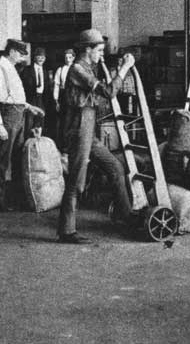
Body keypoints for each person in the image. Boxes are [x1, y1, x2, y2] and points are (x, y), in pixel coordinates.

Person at [57, 29, 136, 244]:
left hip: (88, 127)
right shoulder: (77, 70)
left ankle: (127, 215)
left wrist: (119, 70)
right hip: (79, 128)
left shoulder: (88, 68)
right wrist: (125, 69)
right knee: (76, 182)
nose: (101, 54)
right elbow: (108, 93)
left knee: (115, 167)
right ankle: (66, 231)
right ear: (87, 49)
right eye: (99, 50)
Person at [0, 39, 44, 211]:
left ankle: (15, 197)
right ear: (11, 51)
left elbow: (14, 96)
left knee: (18, 159)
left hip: (18, 115)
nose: (21, 57)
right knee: (2, 160)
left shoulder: (11, 68)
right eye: (19, 53)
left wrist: (28, 106)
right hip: (7, 118)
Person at [22, 47, 50, 138]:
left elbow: (47, 88)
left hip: (41, 98)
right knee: (29, 121)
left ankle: (37, 142)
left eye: (43, 57)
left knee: (40, 120)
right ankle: (27, 142)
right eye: (39, 56)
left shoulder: (45, 72)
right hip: (31, 98)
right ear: (34, 57)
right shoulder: (27, 70)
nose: (41, 59)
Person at [53, 48, 75, 150]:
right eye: (66, 57)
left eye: (70, 57)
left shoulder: (76, 69)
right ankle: (63, 146)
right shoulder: (60, 69)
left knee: (73, 121)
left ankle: (72, 145)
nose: (67, 59)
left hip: (74, 96)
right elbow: (56, 85)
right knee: (63, 122)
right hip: (63, 96)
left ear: (73, 58)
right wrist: (56, 100)